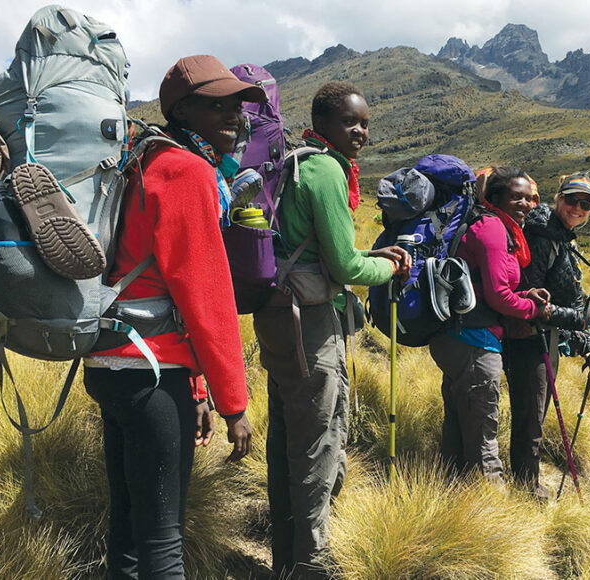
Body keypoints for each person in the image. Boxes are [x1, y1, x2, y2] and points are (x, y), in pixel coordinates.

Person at [83, 55, 262, 579]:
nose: (234, 117)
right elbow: (205, 301)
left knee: (129, 529)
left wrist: (199, 392)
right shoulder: (187, 171)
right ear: (182, 109)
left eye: (237, 106)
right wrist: (235, 405)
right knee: (163, 543)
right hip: (153, 375)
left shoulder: (144, 159)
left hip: (113, 363)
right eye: (217, 106)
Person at [253, 81, 410, 579]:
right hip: (313, 327)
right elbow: (343, 268)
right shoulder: (325, 170)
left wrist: (370, 255)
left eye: (364, 123)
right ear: (323, 124)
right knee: (320, 445)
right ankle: (314, 564)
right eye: (350, 122)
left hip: (280, 315)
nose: (360, 131)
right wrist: (389, 269)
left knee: (285, 441)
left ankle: (285, 559)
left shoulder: (296, 162)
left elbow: (323, 253)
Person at [428, 166, 552, 483]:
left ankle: (452, 501)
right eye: (516, 197)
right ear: (496, 197)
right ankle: (494, 518)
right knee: (484, 441)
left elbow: (487, 286)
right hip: (475, 343)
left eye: (529, 198)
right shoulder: (494, 230)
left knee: (457, 430)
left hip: (456, 337)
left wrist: (525, 294)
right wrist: (532, 310)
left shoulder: (489, 225)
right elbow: (498, 297)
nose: (525, 204)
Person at [504, 171, 590, 499]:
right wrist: (582, 318)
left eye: (585, 203)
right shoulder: (544, 236)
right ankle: (527, 489)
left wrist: (589, 346)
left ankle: (525, 481)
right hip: (529, 339)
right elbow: (531, 299)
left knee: (534, 414)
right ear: (559, 197)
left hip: (545, 338)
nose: (578, 207)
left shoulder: (562, 236)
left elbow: (570, 296)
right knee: (530, 419)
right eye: (572, 199)